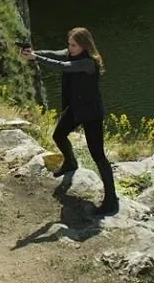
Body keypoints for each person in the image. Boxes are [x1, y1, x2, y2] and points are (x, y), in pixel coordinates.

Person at [20, 27, 119, 216]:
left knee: (98, 155)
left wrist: (36, 58)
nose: (69, 48)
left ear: (84, 46)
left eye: (73, 45)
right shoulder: (72, 53)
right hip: (76, 109)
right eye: (69, 44)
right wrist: (33, 53)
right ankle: (71, 163)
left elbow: (63, 66)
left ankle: (111, 201)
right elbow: (55, 54)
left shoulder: (89, 63)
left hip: (91, 113)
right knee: (58, 135)